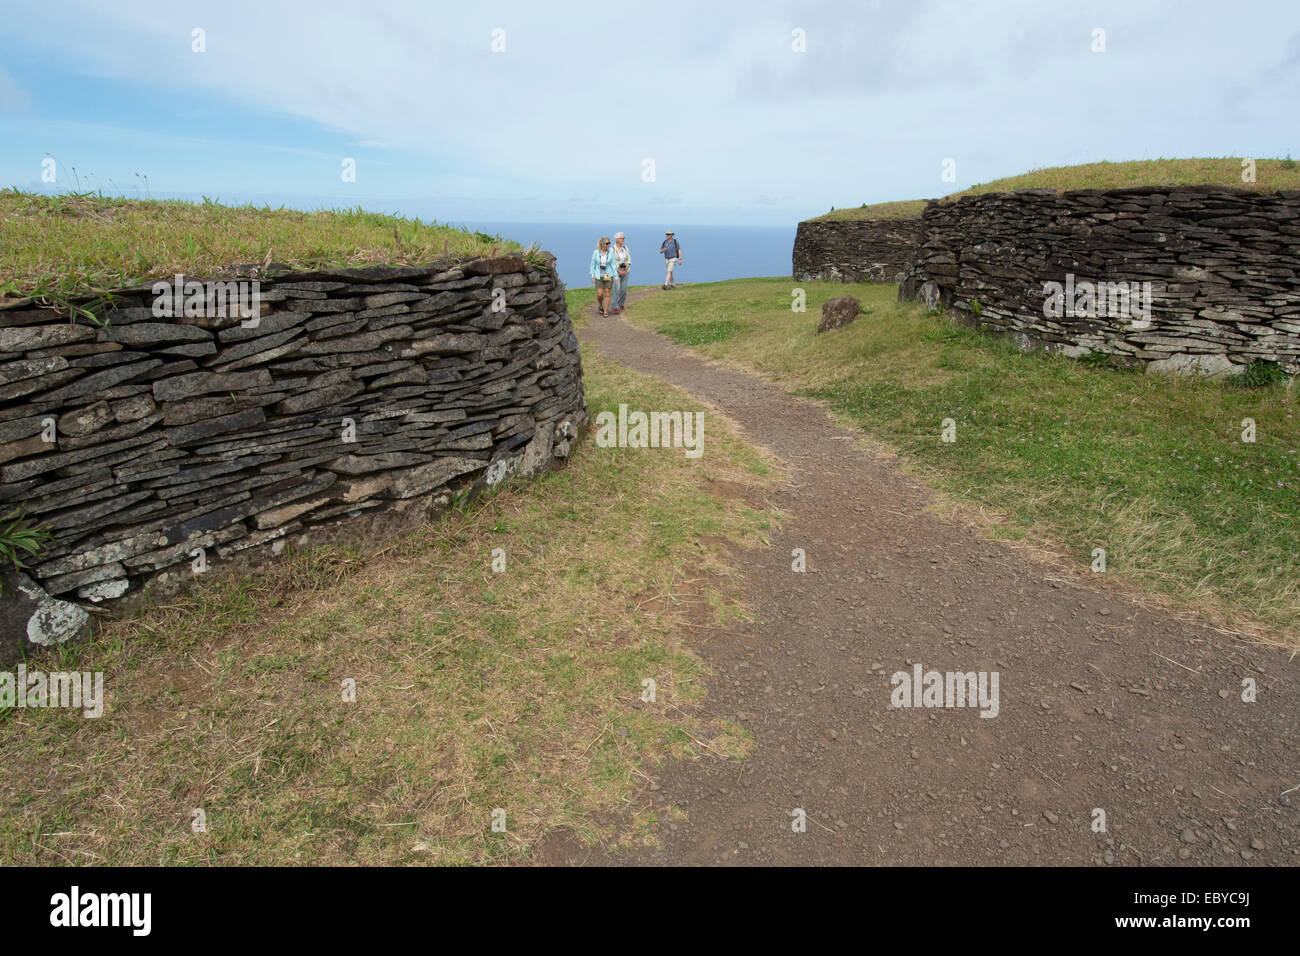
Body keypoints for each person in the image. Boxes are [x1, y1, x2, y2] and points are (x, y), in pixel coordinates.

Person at [590, 236, 616, 315]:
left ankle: (606, 311)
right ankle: (600, 305)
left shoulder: (611, 252)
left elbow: (613, 264)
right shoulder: (596, 252)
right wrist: (592, 275)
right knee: (600, 294)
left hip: (608, 274)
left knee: (607, 292)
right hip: (599, 275)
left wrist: (615, 276)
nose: (609, 245)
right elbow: (593, 264)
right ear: (602, 244)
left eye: (609, 243)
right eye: (607, 243)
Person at [610, 232, 631, 313]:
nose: (624, 239)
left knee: (624, 289)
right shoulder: (612, 250)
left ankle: (621, 304)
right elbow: (612, 262)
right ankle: (614, 306)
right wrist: (618, 271)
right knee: (617, 289)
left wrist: (626, 268)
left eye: (624, 238)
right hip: (616, 272)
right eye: (622, 238)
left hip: (625, 272)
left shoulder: (625, 248)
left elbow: (629, 259)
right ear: (617, 239)